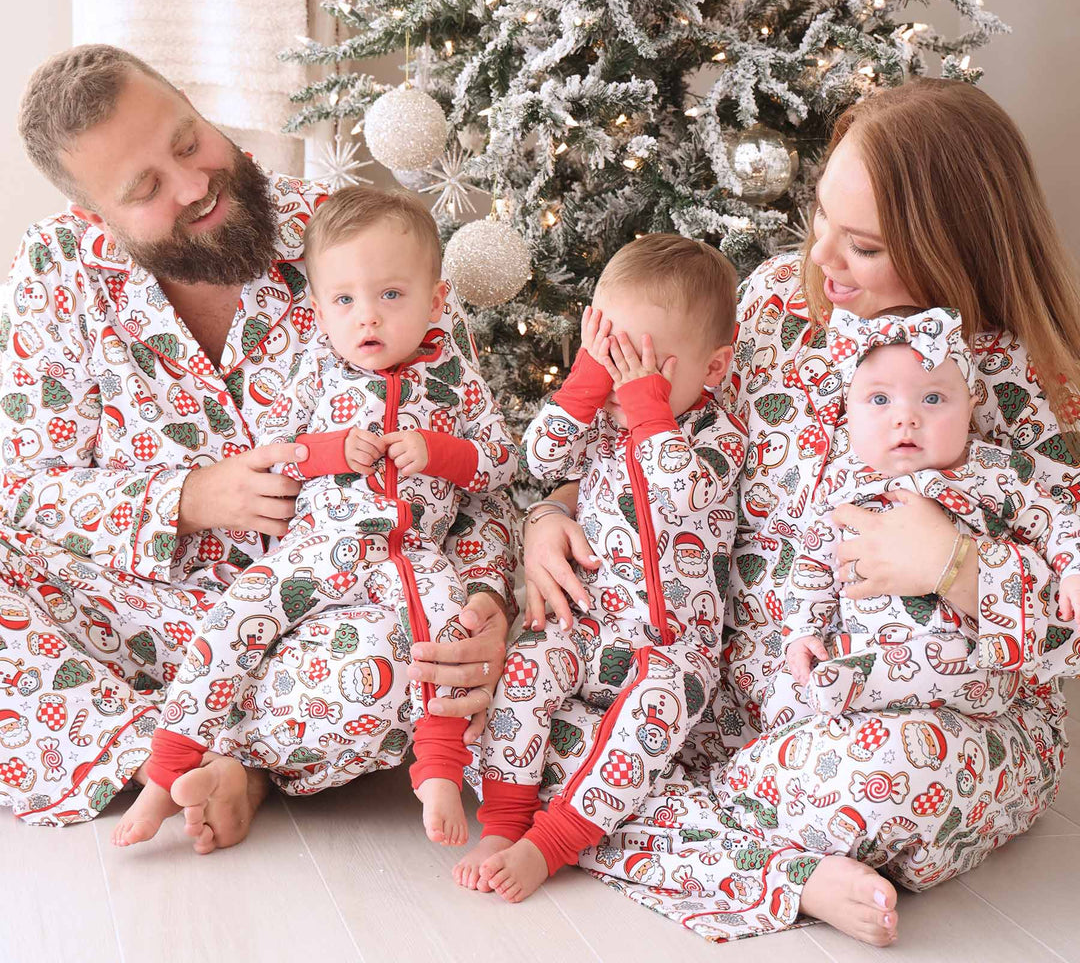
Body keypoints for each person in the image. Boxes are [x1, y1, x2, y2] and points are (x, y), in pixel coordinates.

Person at [521, 78, 1080, 947]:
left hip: (914, 723)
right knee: (517, 721)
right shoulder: (779, 303)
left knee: (897, 780)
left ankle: (668, 822)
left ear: (952, 246)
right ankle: (777, 861)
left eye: (861, 245)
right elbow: (674, 435)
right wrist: (554, 510)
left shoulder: (1023, 377)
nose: (822, 256)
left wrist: (955, 567)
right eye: (821, 217)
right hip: (721, 692)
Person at [0, 44, 514, 851]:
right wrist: (186, 497)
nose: (195, 185)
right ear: (98, 219)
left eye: (187, 140)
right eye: (146, 190)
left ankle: (224, 763)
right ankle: (188, 760)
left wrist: (491, 600)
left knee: (400, 663)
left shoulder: (356, 239)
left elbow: (476, 469)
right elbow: (26, 488)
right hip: (136, 615)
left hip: (335, 620)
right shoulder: (56, 270)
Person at [122, 184, 518, 847]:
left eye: (391, 295)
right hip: (318, 551)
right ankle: (164, 772)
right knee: (233, 622)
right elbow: (279, 453)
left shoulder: (456, 378)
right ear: (319, 310)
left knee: (446, 637)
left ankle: (440, 771)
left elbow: (500, 460)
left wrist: (441, 453)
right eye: (345, 300)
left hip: (414, 559)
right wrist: (331, 449)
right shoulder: (317, 369)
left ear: (436, 300)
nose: (369, 318)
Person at [455, 235, 744, 901]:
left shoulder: (713, 437)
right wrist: (586, 382)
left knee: (642, 729)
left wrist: (648, 408)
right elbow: (545, 458)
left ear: (715, 366)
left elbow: (684, 495)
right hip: (594, 628)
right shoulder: (606, 423)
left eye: (647, 364)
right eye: (612, 355)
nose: (627, 382)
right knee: (525, 670)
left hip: (674, 654)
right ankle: (502, 821)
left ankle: (551, 843)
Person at [767, 305, 1080, 727]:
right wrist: (801, 631)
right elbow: (811, 564)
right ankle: (839, 696)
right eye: (879, 399)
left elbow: (1055, 517)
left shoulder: (988, 470)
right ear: (848, 410)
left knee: (956, 664)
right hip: (861, 646)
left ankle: (859, 686)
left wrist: (1073, 569)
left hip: (960, 656)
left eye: (933, 398)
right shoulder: (842, 488)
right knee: (785, 691)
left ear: (970, 409)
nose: (906, 417)